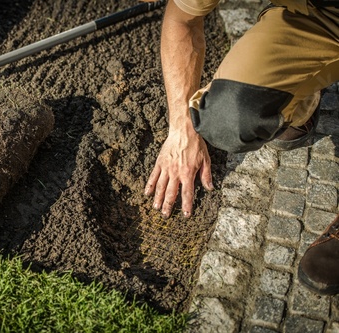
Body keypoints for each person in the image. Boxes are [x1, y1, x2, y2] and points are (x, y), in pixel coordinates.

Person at [144, 0, 338, 294]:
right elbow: (181, 20)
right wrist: (182, 129)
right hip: (318, 13)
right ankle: (302, 95)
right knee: (227, 116)